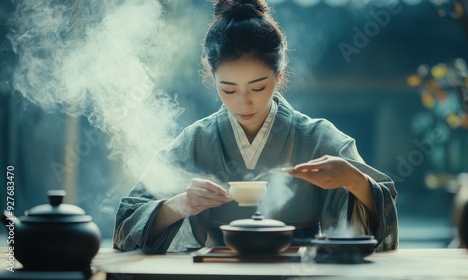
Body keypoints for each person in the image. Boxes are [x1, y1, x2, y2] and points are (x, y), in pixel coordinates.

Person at [113, 0, 398, 254]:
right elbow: (126, 224)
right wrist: (181, 204)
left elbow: (386, 228)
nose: (244, 103)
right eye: (228, 89)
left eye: (258, 87)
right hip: (216, 275)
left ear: (280, 74)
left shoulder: (318, 138)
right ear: (211, 78)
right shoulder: (197, 141)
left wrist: (353, 179)